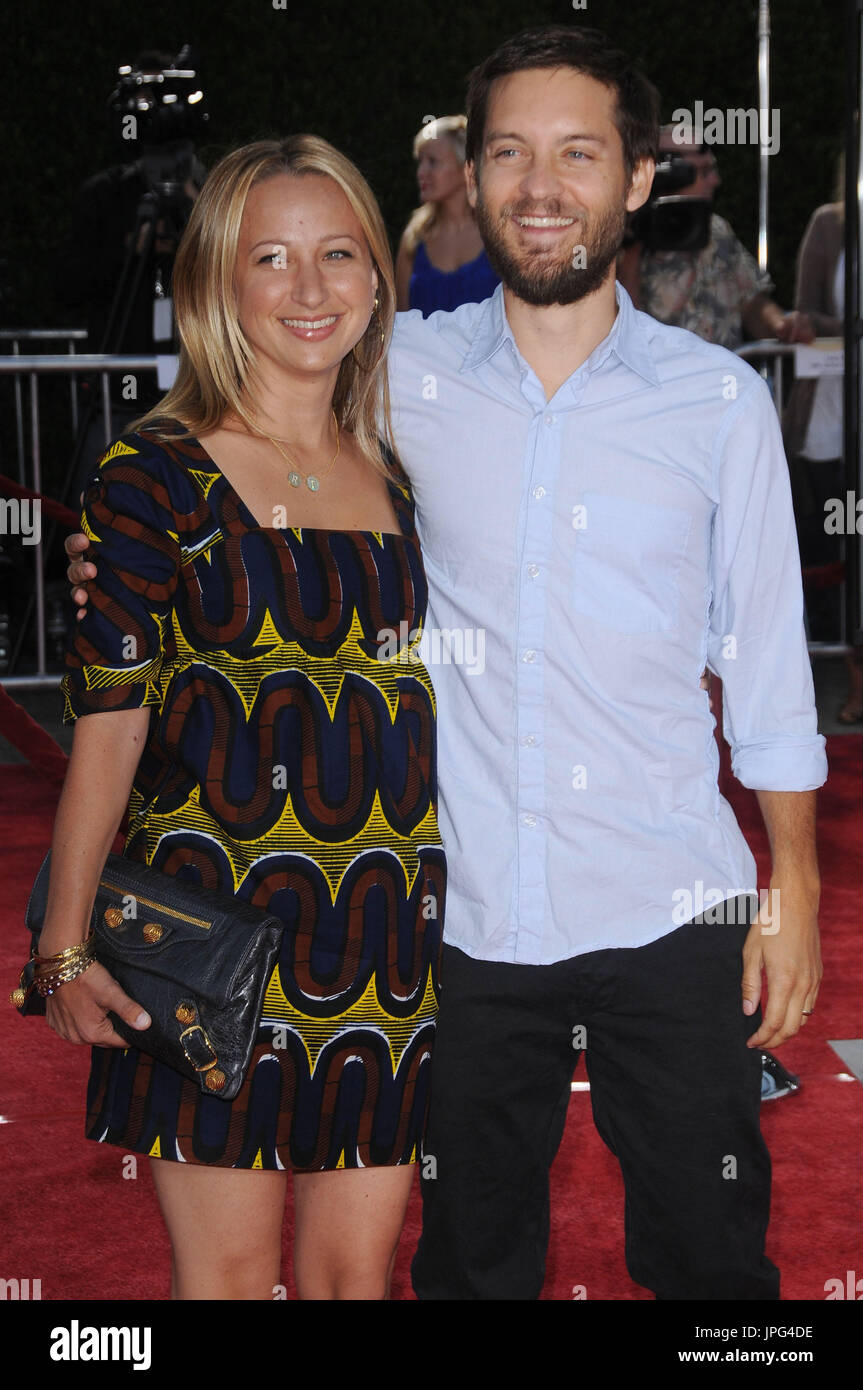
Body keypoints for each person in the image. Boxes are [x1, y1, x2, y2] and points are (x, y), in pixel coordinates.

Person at [68, 25, 826, 1302]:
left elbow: (765, 676)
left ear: (634, 178)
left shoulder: (716, 405)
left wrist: (790, 889)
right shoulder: (391, 373)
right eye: (509, 153)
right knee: (470, 1271)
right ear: (468, 179)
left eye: (577, 153)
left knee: (715, 1270)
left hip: (673, 908)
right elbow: (246, 436)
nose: (541, 186)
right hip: (456, 925)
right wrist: (118, 549)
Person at [43, 135, 445, 1301]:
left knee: (352, 1281)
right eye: (270, 258)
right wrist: (61, 945)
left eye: (337, 255)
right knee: (221, 1283)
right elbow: (106, 726)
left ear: (377, 278)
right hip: (211, 944)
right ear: (215, 282)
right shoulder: (150, 474)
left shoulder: (397, 473)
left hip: (382, 947)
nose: (309, 290)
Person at [617, 124, 813, 350]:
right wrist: (633, 244)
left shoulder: (717, 229)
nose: (716, 181)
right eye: (704, 172)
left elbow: (751, 305)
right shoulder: (621, 234)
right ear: (668, 175)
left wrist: (782, 324)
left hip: (726, 383)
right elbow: (621, 326)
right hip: (660, 383)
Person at [783, 181, 863, 718]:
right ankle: (852, 682)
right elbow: (802, 318)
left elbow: (821, 324)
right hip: (832, 422)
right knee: (841, 551)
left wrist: (837, 328)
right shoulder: (830, 224)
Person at [395, 115, 499, 315]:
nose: (421, 172)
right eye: (420, 162)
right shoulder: (414, 238)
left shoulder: (497, 230)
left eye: (433, 162)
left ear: (466, 168)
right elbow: (402, 323)